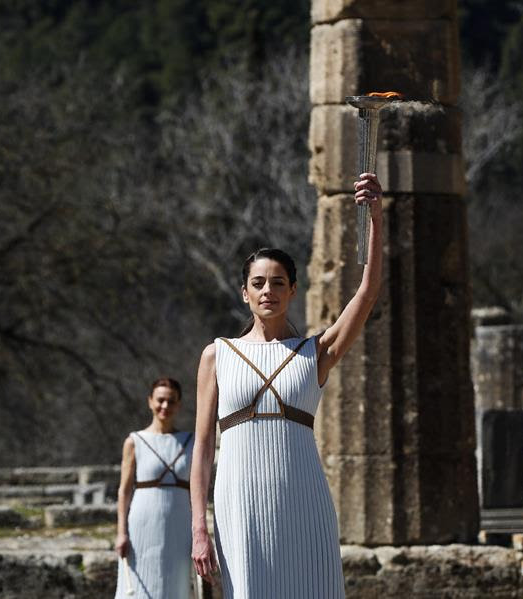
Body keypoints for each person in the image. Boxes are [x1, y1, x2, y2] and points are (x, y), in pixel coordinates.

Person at [189, 173, 384, 598]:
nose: (268, 291)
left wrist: (375, 215)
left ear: (293, 290)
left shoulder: (315, 352)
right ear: (244, 293)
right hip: (239, 500)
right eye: (258, 283)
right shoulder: (217, 354)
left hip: (303, 498)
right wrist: (198, 527)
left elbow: (367, 293)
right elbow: (203, 447)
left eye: (278, 283)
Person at [115, 377, 194, 599]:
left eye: (171, 401)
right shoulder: (134, 441)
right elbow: (124, 490)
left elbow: (198, 490)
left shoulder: (191, 441)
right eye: (160, 400)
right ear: (150, 401)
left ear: (178, 404)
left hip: (179, 525)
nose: (165, 406)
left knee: (175, 584)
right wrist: (121, 532)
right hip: (142, 524)